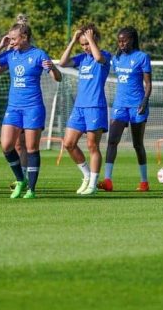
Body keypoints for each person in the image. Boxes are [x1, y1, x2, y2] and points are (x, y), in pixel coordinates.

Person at [0, 15, 62, 199]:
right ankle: (20, 180)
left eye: (14, 38)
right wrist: (2, 45)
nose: (12, 41)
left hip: (33, 107)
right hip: (14, 108)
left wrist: (54, 69)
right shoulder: (10, 54)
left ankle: (31, 189)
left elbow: (58, 78)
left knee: (32, 148)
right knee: (6, 145)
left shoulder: (39, 54)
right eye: (9, 38)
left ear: (24, 37)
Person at [59, 24, 112, 196]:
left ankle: (94, 184)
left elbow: (98, 58)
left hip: (95, 107)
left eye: (87, 43)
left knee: (92, 145)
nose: (85, 47)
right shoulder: (82, 58)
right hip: (79, 107)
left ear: (95, 39)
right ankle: (87, 175)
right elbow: (62, 62)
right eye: (82, 45)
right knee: (68, 143)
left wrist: (90, 39)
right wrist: (73, 40)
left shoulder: (104, 56)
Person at [99, 26, 152, 192]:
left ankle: (144, 181)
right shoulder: (116, 58)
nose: (121, 44)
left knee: (137, 144)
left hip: (137, 105)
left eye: (124, 40)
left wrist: (145, 100)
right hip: (120, 106)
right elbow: (101, 58)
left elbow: (148, 83)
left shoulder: (142, 57)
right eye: (119, 41)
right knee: (112, 141)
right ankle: (107, 180)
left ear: (132, 40)